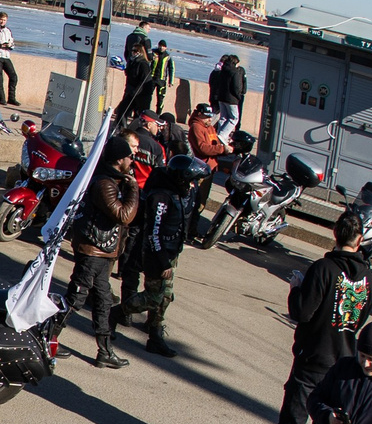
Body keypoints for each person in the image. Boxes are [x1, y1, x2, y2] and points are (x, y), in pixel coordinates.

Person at [247, 209, 372, 424]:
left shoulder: (323, 269)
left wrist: (296, 288)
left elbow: (302, 312)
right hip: (343, 366)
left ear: (335, 234)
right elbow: (360, 319)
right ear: (359, 239)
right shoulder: (368, 278)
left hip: (312, 361)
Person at [67, 144, 142, 370]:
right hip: (93, 251)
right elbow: (123, 215)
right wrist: (133, 190)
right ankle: (49, 335)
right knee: (76, 297)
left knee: (103, 302)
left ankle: (105, 351)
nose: (133, 159)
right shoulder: (104, 183)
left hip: (104, 251)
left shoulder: (116, 180)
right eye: (129, 155)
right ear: (119, 159)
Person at [122, 155, 198, 357]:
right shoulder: (161, 197)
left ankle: (155, 336)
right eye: (190, 181)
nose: (192, 186)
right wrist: (164, 261)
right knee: (153, 297)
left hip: (170, 254)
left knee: (165, 297)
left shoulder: (177, 193)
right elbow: (154, 232)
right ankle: (117, 312)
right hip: (156, 255)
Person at [207, 51, 246, 134]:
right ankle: (219, 134)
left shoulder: (217, 71)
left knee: (222, 117)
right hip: (227, 98)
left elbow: (211, 82)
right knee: (233, 118)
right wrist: (238, 97)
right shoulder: (233, 72)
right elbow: (236, 86)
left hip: (217, 96)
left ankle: (216, 132)